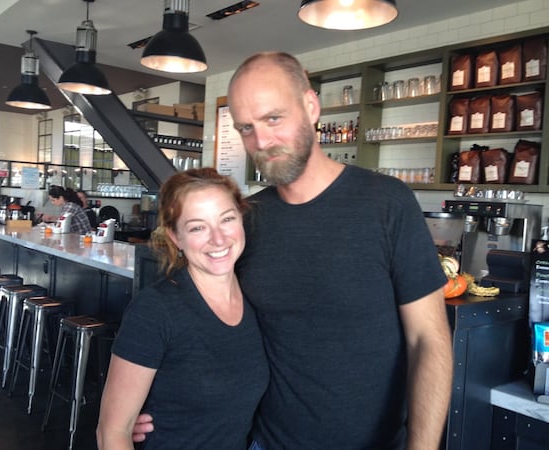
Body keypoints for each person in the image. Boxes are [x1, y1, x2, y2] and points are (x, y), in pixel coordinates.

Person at [133, 52, 453, 449]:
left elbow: (429, 340)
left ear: (311, 106)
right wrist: (151, 403)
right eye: (246, 128)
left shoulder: (387, 204)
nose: (262, 142)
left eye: (273, 118)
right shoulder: (246, 222)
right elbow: (197, 324)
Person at [96, 168, 269, 450]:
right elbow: (112, 433)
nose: (218, 239)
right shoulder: (155, 310)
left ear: (241, 219)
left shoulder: (255, 296)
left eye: (226, 219)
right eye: (197, 227)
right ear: (176, 237)